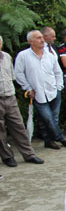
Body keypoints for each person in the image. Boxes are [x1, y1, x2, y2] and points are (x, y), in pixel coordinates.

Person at [14, 30, 66, 150]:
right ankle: (60, 137)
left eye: (42, 37)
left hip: (53, 91)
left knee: (53, 118)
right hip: (37, 92)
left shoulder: (49, 55)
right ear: (31, 41)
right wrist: (28, 88)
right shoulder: (23, 56)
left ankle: (48, 141)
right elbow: (18, 74)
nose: (42, 40)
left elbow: (58, 72)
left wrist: (59, 87)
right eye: (38, 38)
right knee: (48, 118)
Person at [0, 36, 44, 167]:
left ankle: (29, 154)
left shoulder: (6, 57)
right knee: (0, 131)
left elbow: (11, 76)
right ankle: (7, 157)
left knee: (19, 127)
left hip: (10, 96)